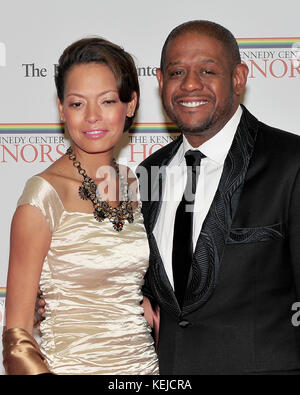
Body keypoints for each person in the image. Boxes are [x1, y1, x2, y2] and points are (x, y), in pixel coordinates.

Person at [137, 20, 300, 375]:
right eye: (177, 71)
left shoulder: (291, 163)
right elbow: (145, 285)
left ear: (238, 78)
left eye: (207, 70)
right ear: (161, 82)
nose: (190, 84)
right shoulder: (147, 172)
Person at [3, 37, 159, 375]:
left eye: (107, 101)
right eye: (77, 104)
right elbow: (16, 339)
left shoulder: (135, 185)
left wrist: (148, 306)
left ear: (130, 104)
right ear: (61, 109)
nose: (92, 117)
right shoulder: (44, 195)